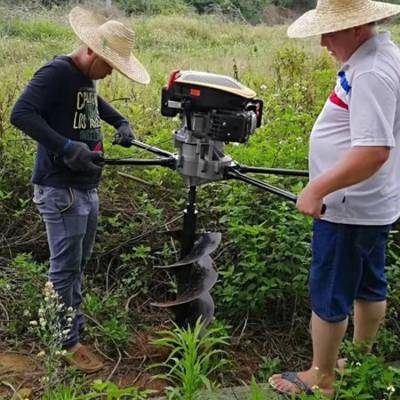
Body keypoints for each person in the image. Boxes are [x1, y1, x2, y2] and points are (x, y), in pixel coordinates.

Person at [269, 0, 400, 396]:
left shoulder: (372, 71)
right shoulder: (380, 55)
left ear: (358, 27)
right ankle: (360, 361)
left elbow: (374, 150)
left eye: (330, 31)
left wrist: (317, 188)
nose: (323, 41)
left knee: (330, 289)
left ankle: (321, 377)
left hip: (347, 207)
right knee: (368, 284)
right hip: (371, 203)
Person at [10, 6, 150, 373]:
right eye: (108, 65)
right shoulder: (57, 72)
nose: (108, 74)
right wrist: (67, 148)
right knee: (65, 268)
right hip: (61, 189)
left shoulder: (82, 78)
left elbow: (91, 102)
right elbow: (21, 114)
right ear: (91, 52)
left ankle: (74, 332)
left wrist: (119, 121)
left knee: (77, 265)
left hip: (85, 187)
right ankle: (64, 343)